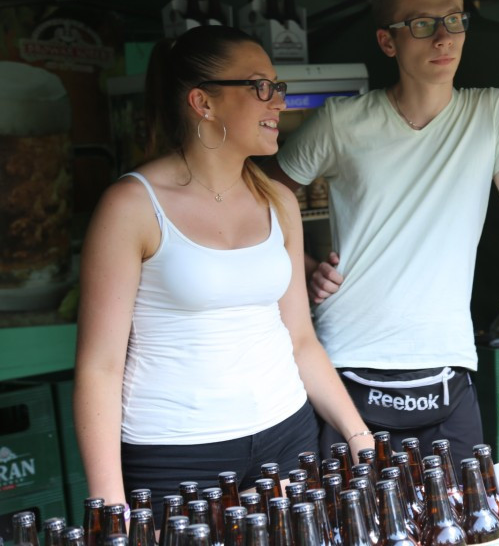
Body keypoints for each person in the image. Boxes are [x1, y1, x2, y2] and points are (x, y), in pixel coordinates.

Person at [267, 0, 499, 465]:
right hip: (346, 368)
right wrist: (305, 266)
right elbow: (263, 198)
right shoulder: (341, 122)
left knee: (463, 529)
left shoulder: (492, 113)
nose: (443, 37)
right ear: (387, 41)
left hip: (447, 370)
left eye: (455, 19)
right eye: (421, 24)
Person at [73, 25, 374, 520]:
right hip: (176, 455)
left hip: (289, 435)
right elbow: (99, 368)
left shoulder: (279, 200)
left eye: (278, 87)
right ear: (203, 102)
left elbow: (299, 338)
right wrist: (110, 507)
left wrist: (357, 434)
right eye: (261, 86)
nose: (278, 101)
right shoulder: (132, 206)